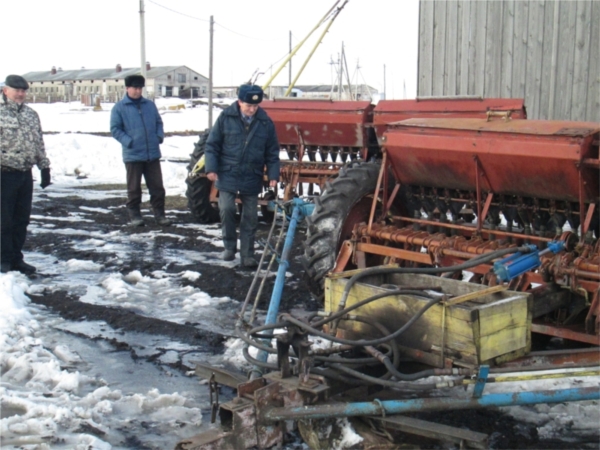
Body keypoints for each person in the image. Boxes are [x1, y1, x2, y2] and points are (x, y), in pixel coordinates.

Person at [205, 84, 280, 268]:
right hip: (228, 172)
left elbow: (272, 151)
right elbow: (212, 145)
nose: (252, 109)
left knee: (250, 217)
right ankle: (229, 247)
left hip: (251, 174)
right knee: (227, 209)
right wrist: (211, 168)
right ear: (239, 102)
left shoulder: (265, 122)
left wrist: (273, 173)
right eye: (248, 105)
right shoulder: (226, 117)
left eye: (255, 106)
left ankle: (247, 255)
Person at [1, 75, 51, 275]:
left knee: (21, 219)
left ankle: (16, 258)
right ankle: (3, 258)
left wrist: (44, 166)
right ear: (6, 90)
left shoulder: (31, 114)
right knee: (4, 220)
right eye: (17, 90)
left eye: (23, 91)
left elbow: (38, 142)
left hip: (24, 174)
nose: (21, 94)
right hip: (4, 173)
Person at [110, 74, 171, 227]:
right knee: (134, 188)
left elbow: (158, 122)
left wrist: (158, 136)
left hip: (152, 154)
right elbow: (115, 129)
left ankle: (160, 214)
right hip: (133, 155)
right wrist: (129, 142)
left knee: (157, 187)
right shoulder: (119, 108)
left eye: (140, 88)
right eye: (134, 88)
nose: (138, 91)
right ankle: (135, 215)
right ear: (127, 88)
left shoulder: (149, 105)